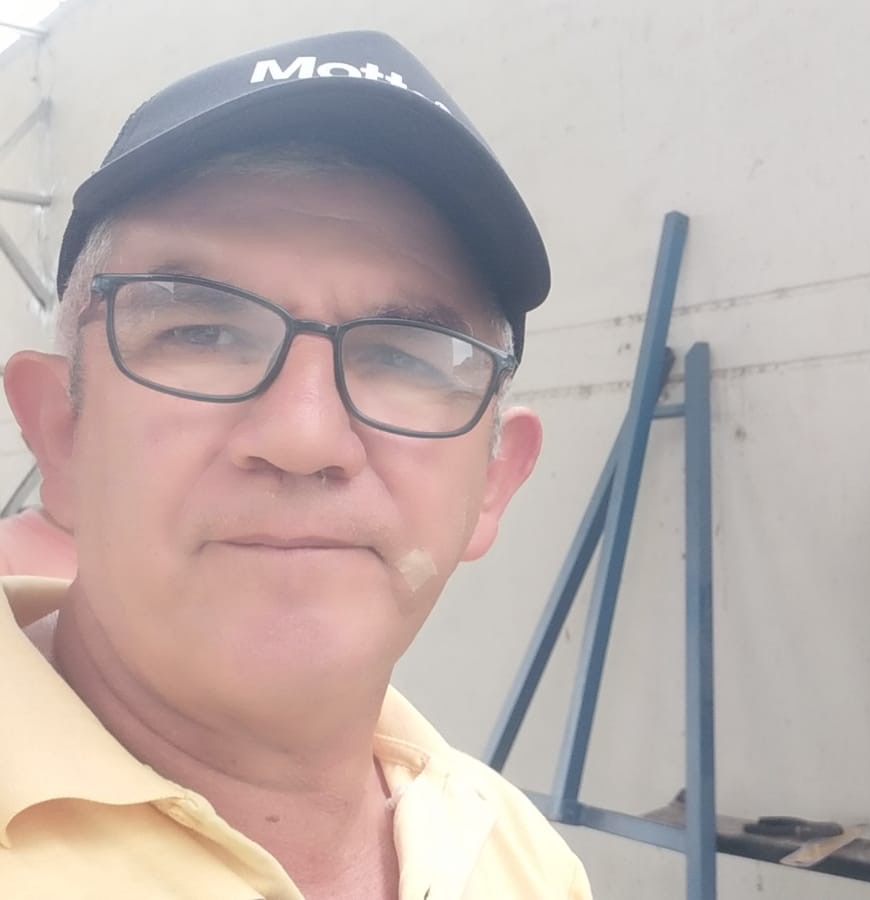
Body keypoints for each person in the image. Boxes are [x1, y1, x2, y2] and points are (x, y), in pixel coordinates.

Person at [0, 31, 592, 899]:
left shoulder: (520, 860)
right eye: (203, 333)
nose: (305, 438)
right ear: (60, 434)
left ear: (493, 484)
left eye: (405, 354)